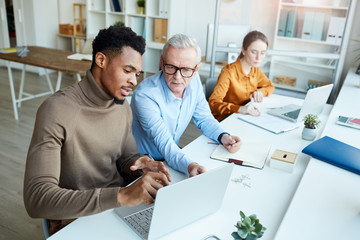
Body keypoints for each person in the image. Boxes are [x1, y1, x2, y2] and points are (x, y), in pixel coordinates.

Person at [23, 26, 171, 236]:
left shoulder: (121, 105)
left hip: (117, 209)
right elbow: (37, 199)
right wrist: (121, 196)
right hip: (76, 219)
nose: (134, 81)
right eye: (127, 71)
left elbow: (126, 157)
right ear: (101, 60)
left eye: (136, 74)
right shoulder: (56, 109)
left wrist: (140, 166)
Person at [130, 34, 242, 177]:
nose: (178, 77)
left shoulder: (193, 82)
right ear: (162, 63)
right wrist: (190, 166)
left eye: (186, 70)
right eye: (171, 67)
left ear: (196, 70)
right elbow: (165, 144)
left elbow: (204, 118)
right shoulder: (145, 95)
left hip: (172, 157)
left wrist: (224, 137)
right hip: (143, 165)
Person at [209, 30, 275, 121]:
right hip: (227, 119)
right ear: (243, 50)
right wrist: (239, 109)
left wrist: (260, 92)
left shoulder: (255, 70)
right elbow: (213, 104)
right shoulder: (228, 72)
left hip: (246, 117)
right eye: (254, 52)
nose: (258, 58)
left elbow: (270, 86)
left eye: (262, 53)